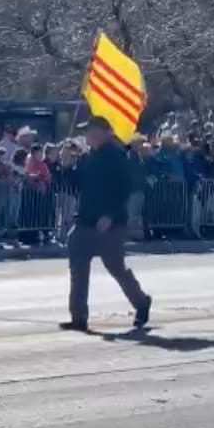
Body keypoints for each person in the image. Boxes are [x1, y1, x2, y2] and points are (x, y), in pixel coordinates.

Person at [61, 116, 152, 331]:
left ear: (102, 132)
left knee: (116, 267)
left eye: (90, 131)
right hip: (84, 220)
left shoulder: (116, 155)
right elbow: (75, 183)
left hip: (109, 223)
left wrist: (110, 214)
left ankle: (141, 302)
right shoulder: (88, 157)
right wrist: (65, 166)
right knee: (78, 267)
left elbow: (124, 187)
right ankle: (78, 317)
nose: (87, 136)